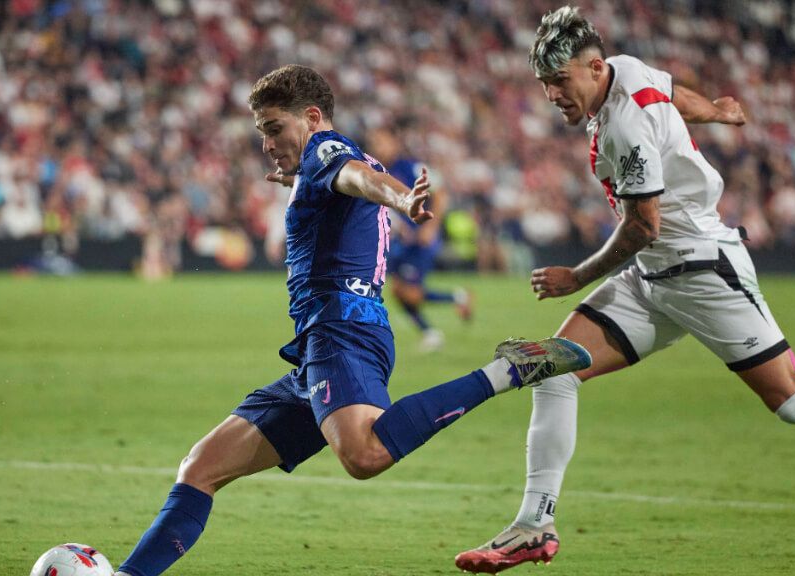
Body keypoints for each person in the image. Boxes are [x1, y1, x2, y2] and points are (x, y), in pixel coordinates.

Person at [455, 7, 795, 573]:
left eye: (559, 82)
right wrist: (719, 113)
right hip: (654, 275)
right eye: (544, 84)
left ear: (593, 67)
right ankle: (535, 525)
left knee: (794, 398)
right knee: (553, 369)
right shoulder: (626, 71)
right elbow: (676, 93)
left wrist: (575, 278)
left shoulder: (625, 123)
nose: (552, 95)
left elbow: (642, 226)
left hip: (701, 269)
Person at [113, 64, 592, 576]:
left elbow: (359, 179)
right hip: (320, 344)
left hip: (343, 332)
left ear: (312, 117)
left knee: (364, 453)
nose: (267, 143)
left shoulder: (327, 151)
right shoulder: (318, 164)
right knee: (201, 467)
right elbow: (344, 185)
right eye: (262, 134)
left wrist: (404, 197)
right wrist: (299, 180)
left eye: (275, 129)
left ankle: (509, 371)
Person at [366, 127, 473, 351]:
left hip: (421, 240)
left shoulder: (411, 167)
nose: (377, 147)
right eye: (374, 143)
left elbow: (441, 193)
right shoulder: (378, 171)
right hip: (402, 241)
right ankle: (430, 330)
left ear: (395, 142)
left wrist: (431, 228)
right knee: (397, 291)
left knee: (410, 293)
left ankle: (456, 299)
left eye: (382, 141)